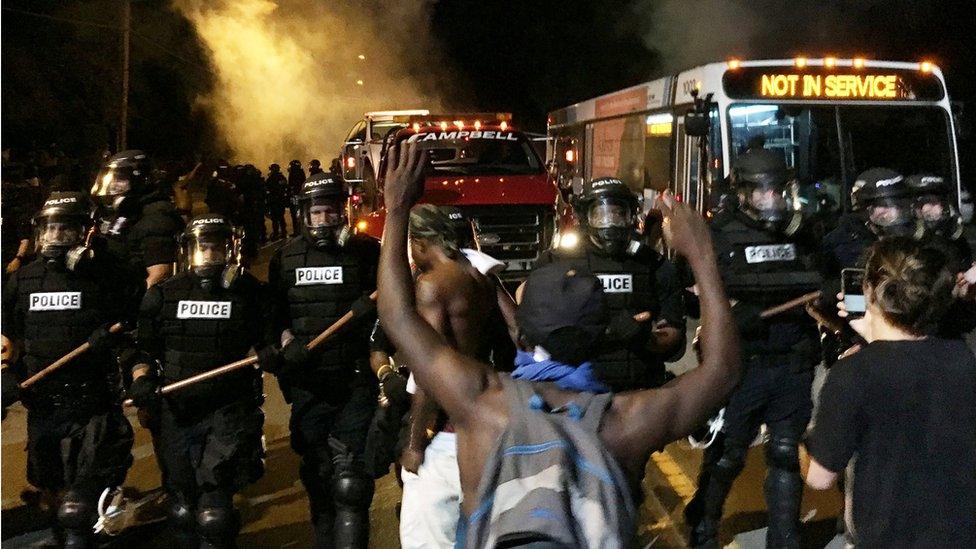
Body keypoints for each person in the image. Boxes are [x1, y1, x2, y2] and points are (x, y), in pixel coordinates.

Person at [377, 140, 740, 547]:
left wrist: (396, 209)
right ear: (601, 328)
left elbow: (397, 317)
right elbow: (722, 370)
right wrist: (703, 256)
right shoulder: (625, 421)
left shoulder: (480, 403)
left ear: (525, 331)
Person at [684, 148, 823, 548]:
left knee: (784, 453)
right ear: (742, 194)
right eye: (761, 192)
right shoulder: (721, 235)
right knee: (728, 454)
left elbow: (825, 279)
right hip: (742, 365)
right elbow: (692, 295)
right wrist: (727, 313)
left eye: (777, 190)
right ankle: (705, 524)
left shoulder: (804, 233)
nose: (771, 199)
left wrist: (832, 291)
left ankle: (784, 537)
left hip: (793, 360)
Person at [806, 237, 976, 547]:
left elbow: (820, 478)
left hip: (887, 537)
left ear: (870, 291)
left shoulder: (853, 374)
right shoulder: (960, 358)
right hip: (958, 533)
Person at [2, 192, 142, 547]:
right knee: (56, 503)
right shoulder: (23, 281)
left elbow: (135, 324)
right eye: (49, 230)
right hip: (44, 406)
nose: (56, 238)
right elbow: (6, 339)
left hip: (93, 404)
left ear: (86, 233)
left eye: (66, 230)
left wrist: (116, 340)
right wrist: (5, 375)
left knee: (76, 511)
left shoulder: (106, 276)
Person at [126, 213, 268, 548]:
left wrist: (274, 351)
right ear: (188, 252)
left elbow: (270, 338)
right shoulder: (163, 296)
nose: (210, 256)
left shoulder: (249, 293)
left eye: (216, 249)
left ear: (230, 251)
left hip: (229, 408)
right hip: (177, 409)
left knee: (214, 513)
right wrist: (141, 379)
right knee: (183, 508)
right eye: (203, 248)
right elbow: (142, 351)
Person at [258, 172, 380, 548]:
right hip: (308, 382)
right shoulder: (285, 258)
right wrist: (283, 343)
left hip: (355, 377)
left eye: (329, 213)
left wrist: (371, 321)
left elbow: (392, 314)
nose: (323, 221)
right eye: (316, 214)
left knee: (351, 483)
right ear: (303, 215)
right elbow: (273, 317)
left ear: (342, 213)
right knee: (319, 475)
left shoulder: (365, 252)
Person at [398, 204, 515, 549]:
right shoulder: (481, 276)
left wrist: (415, 443)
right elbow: (516, 326)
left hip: (448, 429)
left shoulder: (431, 285)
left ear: (419, 244)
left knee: (428, 537)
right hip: (487, 419)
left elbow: (430, 373)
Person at [533, 176, 686, 391]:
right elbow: (533, 333)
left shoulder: (655, 266)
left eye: (618, 214)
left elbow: (674, 335)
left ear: (631, 216)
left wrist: (646, 340)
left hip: (639, 390)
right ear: (585, 217)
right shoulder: (554, 263)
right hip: (575, 393)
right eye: (601, 215)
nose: (611, 222)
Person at [90, 150, 185, 288]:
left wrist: (131, 303)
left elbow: (160, 274)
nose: (113, 185)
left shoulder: (157, 216)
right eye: (112, 178)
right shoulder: (128, 210)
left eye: (120, 179)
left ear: (140, 179)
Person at [265, 164, 289, 240]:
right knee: (280, 217)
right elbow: (285, 187)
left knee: (275, 218)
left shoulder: (271, 178)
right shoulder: (281, 177)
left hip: (274, 201)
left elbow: (267, 189)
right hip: (279, 200)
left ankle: (277, 233)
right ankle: (283, 232)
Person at [286, 159, 306, 236]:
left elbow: (290, 186)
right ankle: (300, 231)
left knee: (295, 214)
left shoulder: (293, 174)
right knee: (299, 213)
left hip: (295, 196)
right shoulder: (301, 172)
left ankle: (297, 231)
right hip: (299, 196)